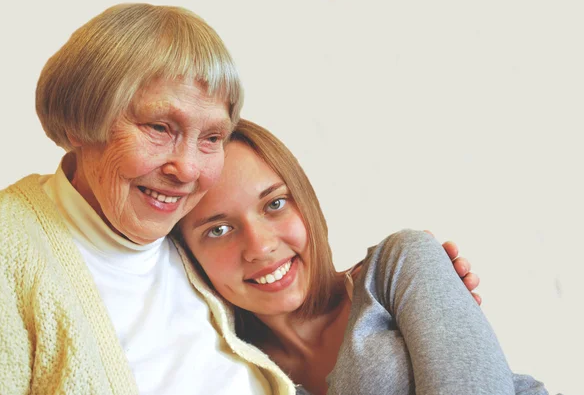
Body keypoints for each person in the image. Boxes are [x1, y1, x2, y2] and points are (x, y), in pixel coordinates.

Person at [0, 2, 484, 395]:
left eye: (210, 137)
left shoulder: (177, 246)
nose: (187, 170)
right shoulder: (2, 247)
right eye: (160, 127)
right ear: (78, 122)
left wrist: (396, 292)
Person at [179, 119, 550, 395]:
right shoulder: (229, 372)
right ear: (189, 257)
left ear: (306, 202)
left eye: (275, 204)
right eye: (219, 230)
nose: (260, 246)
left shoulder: (399, 265)